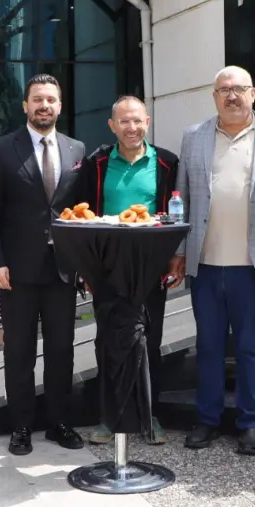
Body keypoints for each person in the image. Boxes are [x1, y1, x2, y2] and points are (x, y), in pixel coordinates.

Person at [170, 66, 255, 455]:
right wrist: (179, 252)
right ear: (214, 97)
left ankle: (251, 423)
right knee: (207, 346)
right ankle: (206, 419)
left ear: (253, 93)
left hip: (251, 265)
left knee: (250, 347)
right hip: (205, 264)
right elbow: (181, 197)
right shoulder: (194, 136)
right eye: (223, 90)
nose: (231, 95)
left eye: (239, 88)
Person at [0, 74, 87, 455]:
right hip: (17, 271)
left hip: (63, 269)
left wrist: (85, 263)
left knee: (62, 350)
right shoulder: (1, 149)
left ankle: (59, 421)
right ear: (25, 105)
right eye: (37, 100)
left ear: (60, 105)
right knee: (18, 351)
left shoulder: (77, 149)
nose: (44, 106)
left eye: (51, 100)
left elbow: (82, 211)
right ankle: (21, 425)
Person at [79, 96, 181, 446]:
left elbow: (176, 213)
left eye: (137, 121)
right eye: (124, 121)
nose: (132, 127)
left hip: (151, 266)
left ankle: (149, 415)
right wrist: (86, 267)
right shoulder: (97, 163)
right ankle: (110, 418)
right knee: (107, 342)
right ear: (112, 126)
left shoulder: (167, 162)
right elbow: (82, 217)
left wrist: (175, 256)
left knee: (149, 339)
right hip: (106, 266)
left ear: (147, 122)